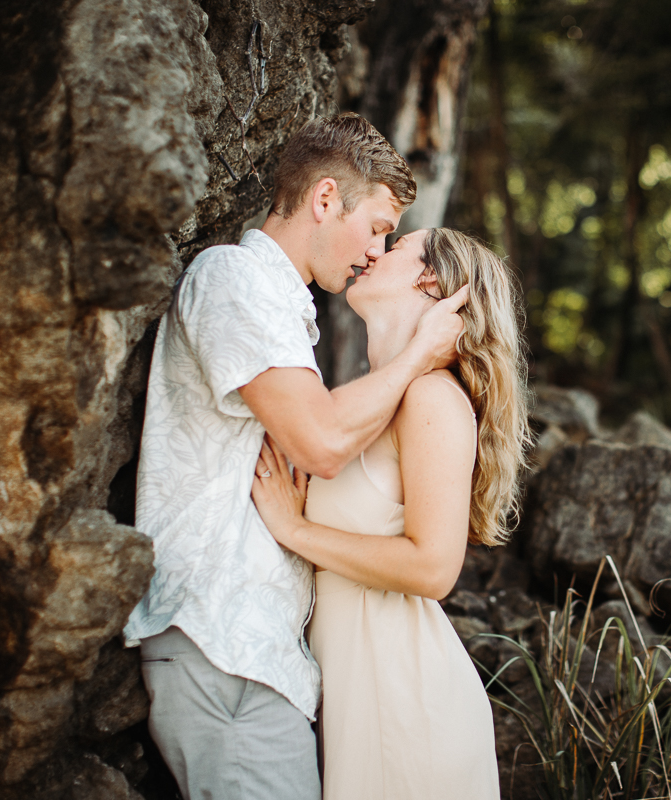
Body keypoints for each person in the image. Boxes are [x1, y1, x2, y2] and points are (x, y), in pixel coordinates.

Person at [122, 114, 468, 800]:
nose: (376, 250)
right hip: (224, 644)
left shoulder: (284, 313)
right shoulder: (233, 279)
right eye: (374, 227)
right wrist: (421, 356)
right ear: (324, 199)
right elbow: (323, 443)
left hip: (256, 661)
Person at [250, 227, 530, 800]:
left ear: (429, 277)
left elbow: (433, 569)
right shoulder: (379, 397)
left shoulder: (431, 398)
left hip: (405, 704)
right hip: (361, 695)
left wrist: (295, 529)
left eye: (395, 243)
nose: (374, 251)